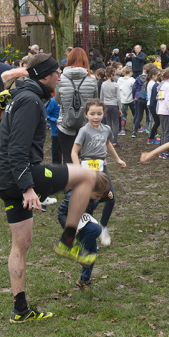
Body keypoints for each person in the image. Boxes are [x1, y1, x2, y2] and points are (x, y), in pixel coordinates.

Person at [0, 52, 110, 323]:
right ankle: (68, 240)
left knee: (21, 243)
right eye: (56, 73)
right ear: (44, 76)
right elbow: (17, 149)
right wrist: (27, 187)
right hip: (21, 175)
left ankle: (20, 310)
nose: (60, 76)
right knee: (87, 177)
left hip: (4, 179)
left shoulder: (24, 95)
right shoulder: (30, 100)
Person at [69, 98, 125, 247]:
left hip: (102, 167)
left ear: (103, 114)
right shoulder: (84, 131)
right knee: (88, 203)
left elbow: (108, 144)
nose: (96, 117)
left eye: (99, 114)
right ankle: (88, 236)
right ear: (86, 114)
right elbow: (74, 152)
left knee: (110, 198)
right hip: (86, 168)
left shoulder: (106, 129)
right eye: (92, 114)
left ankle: (103, 227)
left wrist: (118, 159)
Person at [57, 181, 112, 289]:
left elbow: (96, 199)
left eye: (100, 196)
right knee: (96, 229)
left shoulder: (94, 196)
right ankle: (78, 253)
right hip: (74, 224)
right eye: (97, 195)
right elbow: (61, 212)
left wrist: (105, 198)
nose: (98, 198)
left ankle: (84, 279)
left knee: (92, 253)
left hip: (85, 221)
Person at [55, 47, 98, 163]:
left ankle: (71, 181)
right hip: (86, 125)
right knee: (87, 159)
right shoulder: (92, 79)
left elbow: (58, 101)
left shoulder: (60, 79)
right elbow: (96, 102)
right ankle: (86, 181)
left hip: (65, 125)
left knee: (68, 160)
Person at [100, 66, 121, 147]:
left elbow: (101, 97)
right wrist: (120, 108)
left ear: (106, 74)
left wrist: (101, 106)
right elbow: (118, 98)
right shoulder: (115, 85)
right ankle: (115, 142)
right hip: (114, 105)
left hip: (105, 105)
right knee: (116, 123)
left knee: (108, 124)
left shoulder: (103, 84)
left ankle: (108, 142)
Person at [118, 66, 135, 136]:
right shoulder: (132, 80)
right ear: (130, 73)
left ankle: (122, 130)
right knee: (135, 113)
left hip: (122, 100)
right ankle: (139, 127)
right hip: (131, 99)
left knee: (123, 115)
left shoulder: (119, 79)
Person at [45, 96, 62, 164]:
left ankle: (68, 173)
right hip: (56, 133)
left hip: (69, 132)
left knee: (70, 156)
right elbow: (44, 114)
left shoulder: (69, 99)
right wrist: (55, 121)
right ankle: (57, 173)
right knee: (57, 158)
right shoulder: (53, 101)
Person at [146, 67, 161, 144]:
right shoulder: (152, 84)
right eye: (158, 75)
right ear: (153, 75)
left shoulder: (152, 83)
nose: (159, 76)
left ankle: (153, 136)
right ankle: (150, 137)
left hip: (151, 104)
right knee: (153, 121)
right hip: (151, 104)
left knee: (154, 121)